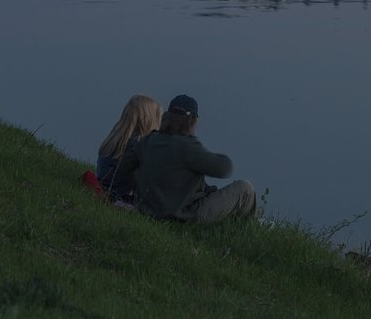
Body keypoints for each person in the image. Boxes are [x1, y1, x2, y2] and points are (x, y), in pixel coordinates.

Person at [116, 94, 256, 223]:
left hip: (147, 210)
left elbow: (123, 168)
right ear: (193, 121)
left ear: (166, 117)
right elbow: (225, 168)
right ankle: (242, 228)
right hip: (186, 215)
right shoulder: (188, 147)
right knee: (246, 188)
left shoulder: (148, 141)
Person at [96, 94, 162, 203]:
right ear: (149, 120)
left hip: (105, 190)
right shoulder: (138, 145)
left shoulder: (114, 139)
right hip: (122, 198)